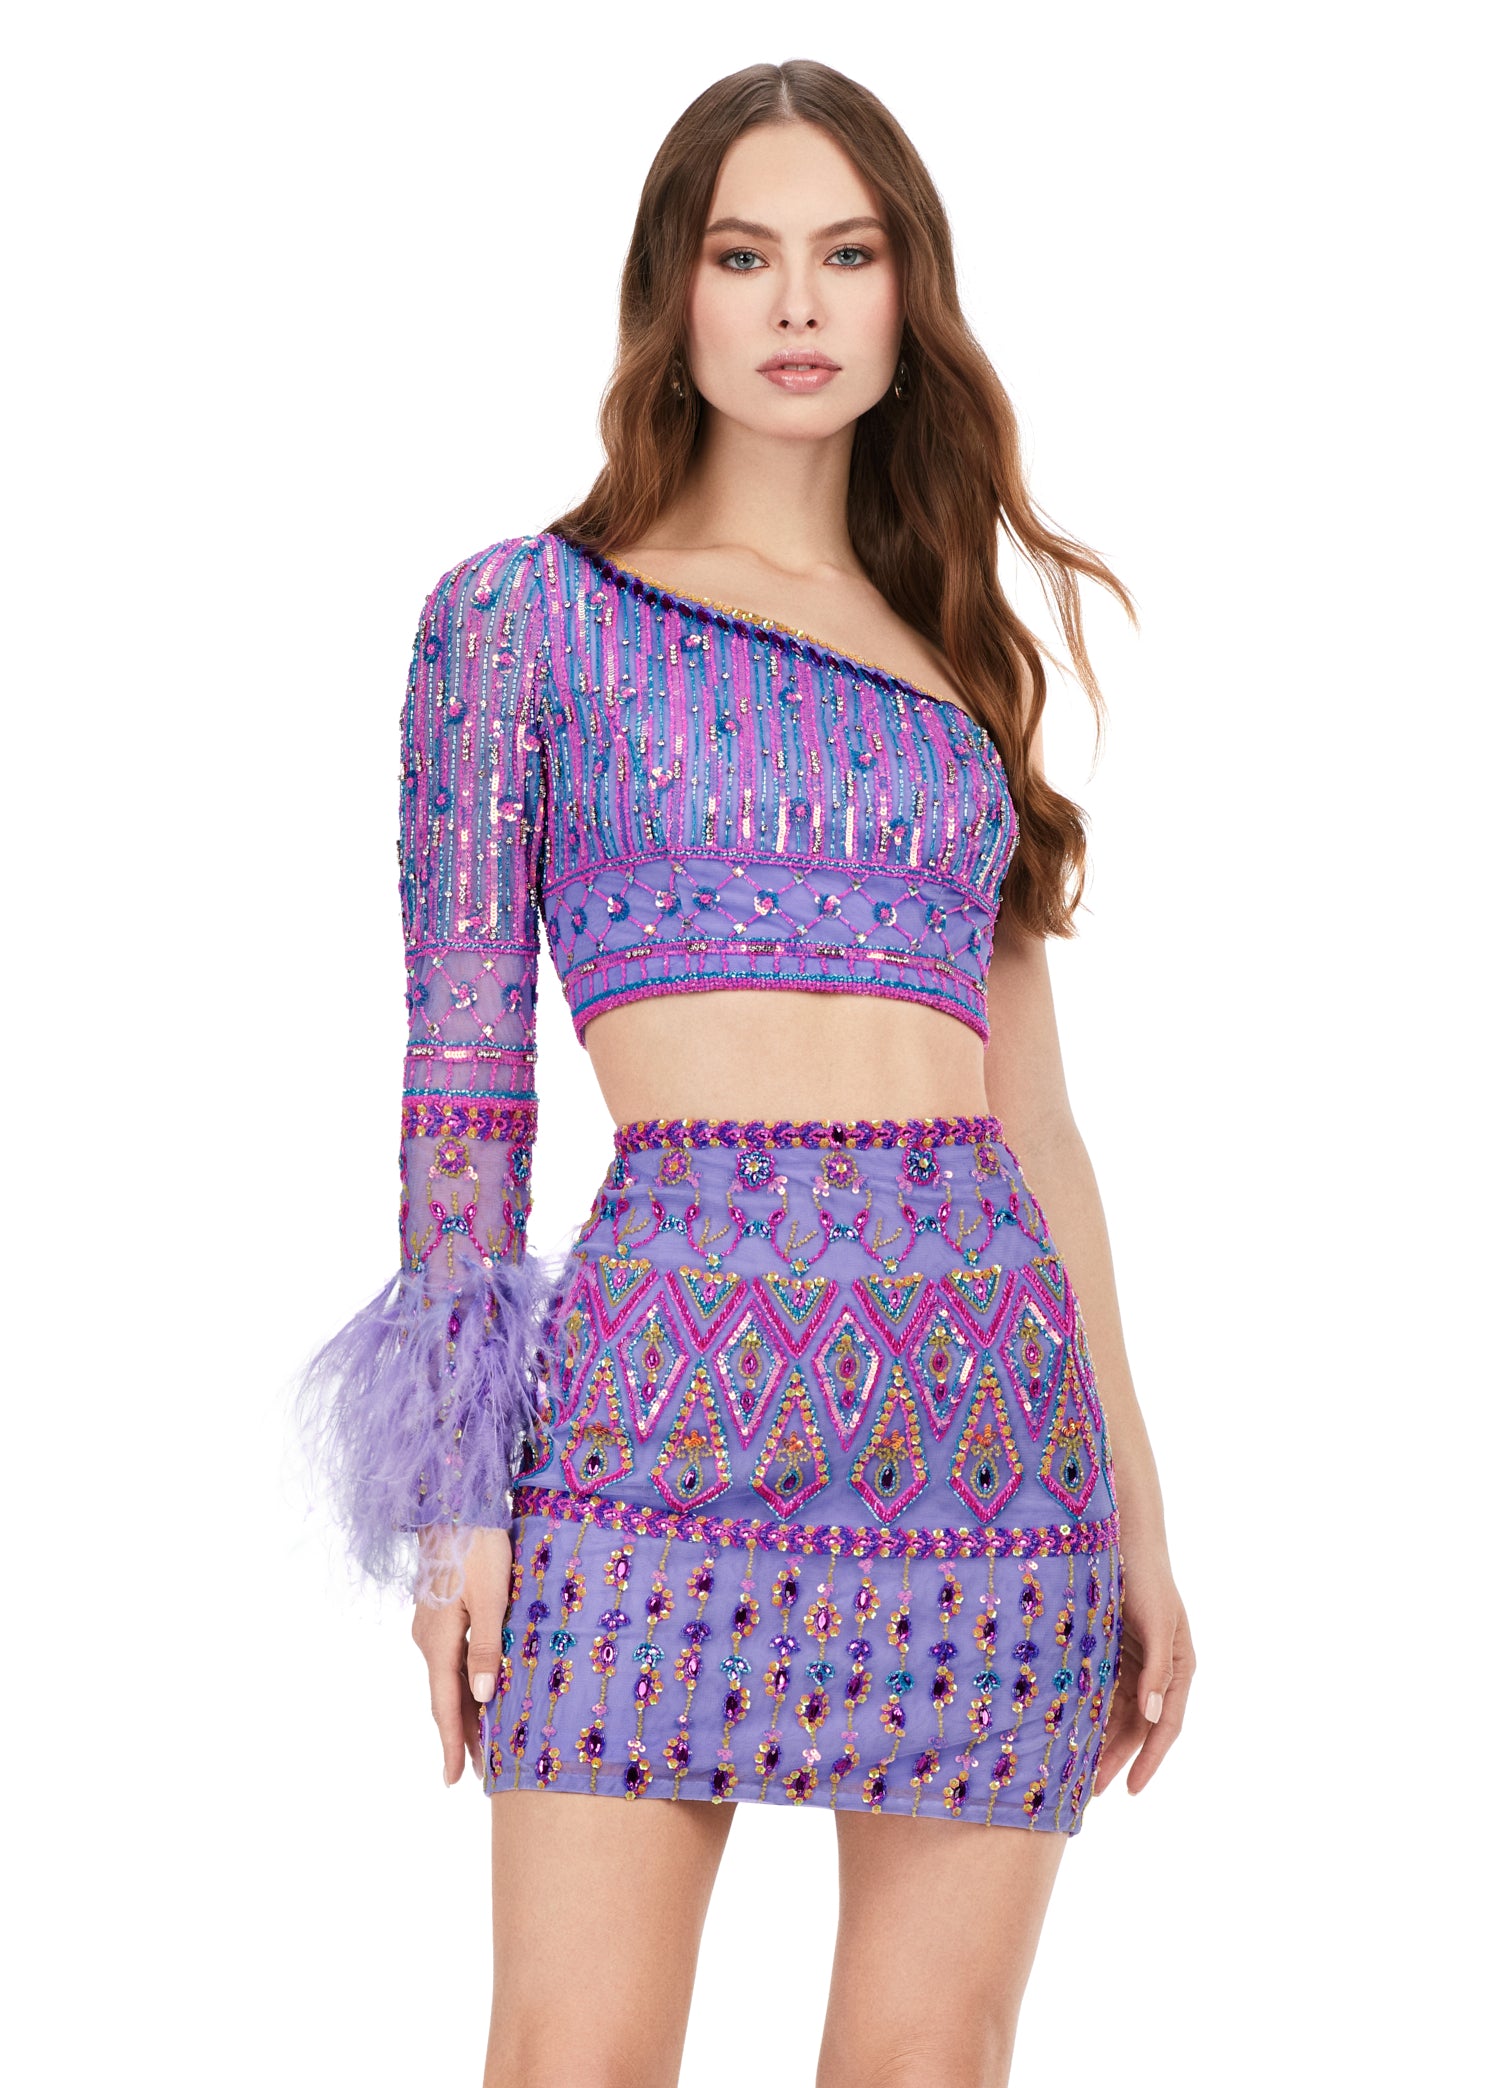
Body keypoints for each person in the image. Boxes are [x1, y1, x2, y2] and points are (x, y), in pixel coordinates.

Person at [296, 57, 1195, 2088]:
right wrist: (457, 1512)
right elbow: (463, 1081)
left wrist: (1136, 1511)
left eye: (847, 256)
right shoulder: (522, 621)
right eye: (743, 255)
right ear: (671, 296)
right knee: (572, 2054)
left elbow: (1038, 1126)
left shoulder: (958, 656)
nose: (797, 304)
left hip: (986, 1434)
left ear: (906, 298)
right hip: (651, 1421)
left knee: (929, 2059)